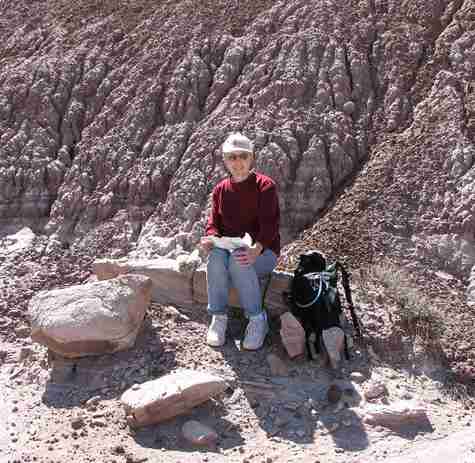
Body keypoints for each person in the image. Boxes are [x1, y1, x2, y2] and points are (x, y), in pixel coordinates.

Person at [200, 133, 280, 350]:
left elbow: (270, 225)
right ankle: (219, 317)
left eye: (242, 156)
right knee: (216, 256)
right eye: (232, 157)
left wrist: (257, 248)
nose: (237, 162)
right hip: (230, 247)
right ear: (225, 160)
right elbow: (213, 222)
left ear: (251, 158)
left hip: (264, 252)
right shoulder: (220, 190)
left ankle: (256, 319)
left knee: (239, 259)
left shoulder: (265, 186)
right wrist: (211, 239)